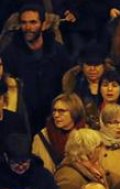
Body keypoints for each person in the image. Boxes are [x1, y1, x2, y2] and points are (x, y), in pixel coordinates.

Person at [0, 4, 72, 132]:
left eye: (33, 22)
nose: (28, 27)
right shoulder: (9, 53)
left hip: (54, 117)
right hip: (23, 119)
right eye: (24, 23)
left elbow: (68, 82)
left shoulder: (58, 51)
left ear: (43, 25)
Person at [32, 94, 86, 174]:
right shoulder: (41, 138)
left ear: (74, 112)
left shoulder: (87, 136)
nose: (56, 115)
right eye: (54, 111)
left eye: (62, 111)